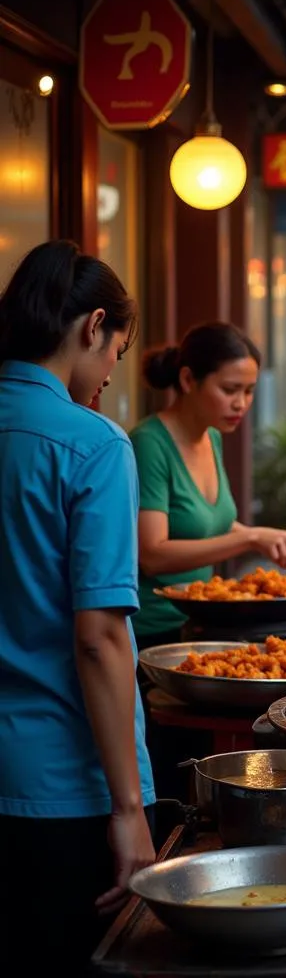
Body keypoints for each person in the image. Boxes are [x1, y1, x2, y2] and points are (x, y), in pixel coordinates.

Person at [0, 240, 155, 972]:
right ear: (92, 327)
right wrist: (129, 811)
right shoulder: (93, 445)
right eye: (115, 355)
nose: (106, 379)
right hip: (62, 788)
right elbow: (98, 636)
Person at [131, 322, 286, 651]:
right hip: (156, 630)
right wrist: (251, 538)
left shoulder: (211, 436)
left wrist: (270, 539)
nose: (241, 403)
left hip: (201, 621)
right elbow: (152, 554)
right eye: (229, 389)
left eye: (249, 390)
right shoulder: (149, 444)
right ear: (187, 380)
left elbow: (212, 523)